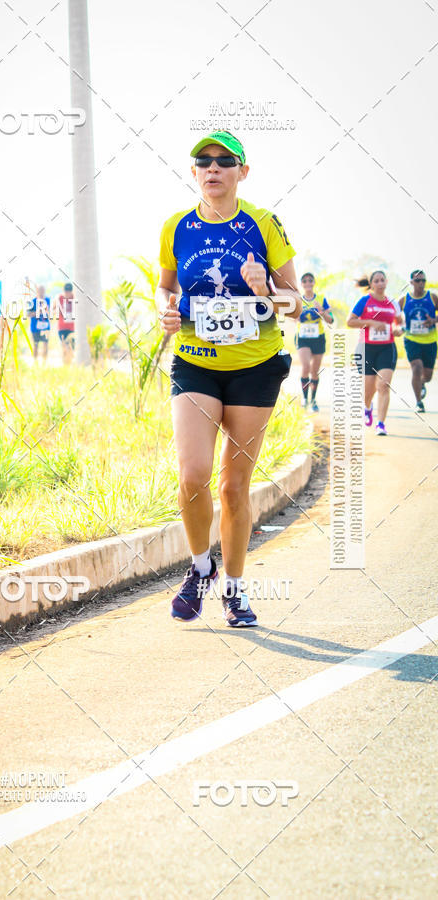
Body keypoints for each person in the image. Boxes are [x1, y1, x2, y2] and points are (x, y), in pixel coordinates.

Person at [157, 130, 302, 628]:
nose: (213, 168)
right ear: (193, 172)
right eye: (204, 161)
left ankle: (235, 591)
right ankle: (201, 569)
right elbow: (165, 287)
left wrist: (266, 288)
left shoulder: (263, 223)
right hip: (195, 363)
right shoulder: (176, 226)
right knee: (192, 476)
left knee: (234, 488)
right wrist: (165, 311)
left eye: (225, 160)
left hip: (254, 370)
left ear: (243, 171)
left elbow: (295, 306)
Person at [347, 271, 403, 435]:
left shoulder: (393, 302)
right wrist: (370, 322)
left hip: (387, 348)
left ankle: (381, 424)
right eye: (376, 281)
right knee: (368, 389)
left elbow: (399, 323)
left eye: (382, 280)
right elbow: (350, 321)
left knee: (383, 385)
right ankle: (368, 406)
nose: (380, 283)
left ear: (386, 282)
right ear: (371, 284)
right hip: (366, 348)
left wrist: (399, 330)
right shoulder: (364, 301)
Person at [398, 269, 438, 412]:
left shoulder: (432, 297)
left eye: (423, 280)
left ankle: (422, 383)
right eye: (418, 281)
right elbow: (394, 317)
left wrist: (434, 320)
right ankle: (419, 403)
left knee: (427, 376)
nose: (421, 283)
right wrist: (399, 327)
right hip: (411, 339)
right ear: (411, 283)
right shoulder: (404, 300)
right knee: (416, 368)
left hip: (430, 341)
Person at [296, 272, 333, 412]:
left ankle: (313, 400)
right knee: (305, 367)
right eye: (304, 281)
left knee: (314, 371)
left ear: (314, 283)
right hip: (303, 337)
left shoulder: (321, 299)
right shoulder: (298, 299)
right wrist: (296, 317)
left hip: (318, 338)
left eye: (310, 280)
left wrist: (322, 312)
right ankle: (305, 398)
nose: (307, 283)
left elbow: (331, 320)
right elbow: (292, 317)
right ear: (302, 284)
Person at [28, 284, 51, 364]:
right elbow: (28, 314)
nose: (41, 293)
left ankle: (44, 363)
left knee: (45, 345)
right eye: (40, 291)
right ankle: (35, 363)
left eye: (43, 291)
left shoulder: (48, 300)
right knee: (36, 345)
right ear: (37, 291)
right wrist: (38, 312)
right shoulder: (33, 301)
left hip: (45, 327)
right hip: (35, 327)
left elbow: (52, 312)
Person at [57, 282, 75, 364]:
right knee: (64, 347)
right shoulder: (60, 298)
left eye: (69, 291)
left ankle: (69, 363)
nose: (67, 293)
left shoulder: (75, 298)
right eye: (66, 291)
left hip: (72, 328)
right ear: (63, 291)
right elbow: (53, 308)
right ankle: (65, 364)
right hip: (62, 327)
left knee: (71, 347)